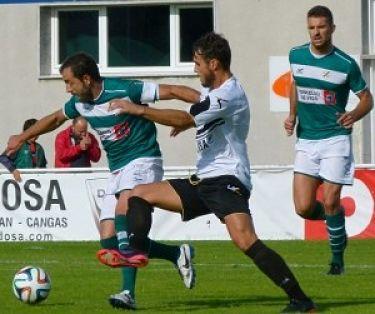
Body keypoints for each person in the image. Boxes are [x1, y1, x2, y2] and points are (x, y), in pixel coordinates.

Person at [102, 32, 316, 312]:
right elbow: (189, 104)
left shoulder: (230, 94)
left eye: (197, 63)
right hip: (204, 180)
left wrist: (138, 110)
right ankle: (135, 250)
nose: (195, 69)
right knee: (138, 195)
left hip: (227, 179)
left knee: (245, 241)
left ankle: (301, 300)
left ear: (214, 64)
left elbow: (188, 115)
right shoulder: (213, 94)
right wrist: (182, 118)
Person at [5, 52, 201, 310]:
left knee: (125, 214)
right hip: (118, 169)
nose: (67, 89)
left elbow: (173, 90)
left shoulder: (126, 89)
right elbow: (54, 119)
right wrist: (22, 137)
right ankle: (177, 254)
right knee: (109, 240)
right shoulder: (78, 103)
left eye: (69, 82)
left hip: (143, 160)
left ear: (86, 79)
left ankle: (127, 293)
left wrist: (207, 103)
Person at [284, 5, 373, 275]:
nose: (316, 32)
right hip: (307, 140)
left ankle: (337, 260)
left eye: (321, 27)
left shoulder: (345, 64)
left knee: (332, 198)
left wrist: (354, 114)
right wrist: (291, 115)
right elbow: (295, 84)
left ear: (331, 28)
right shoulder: (296, 55)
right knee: (303, 207)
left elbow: (367, 99)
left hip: (335, 139)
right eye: (311, 27)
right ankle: (335, 222)